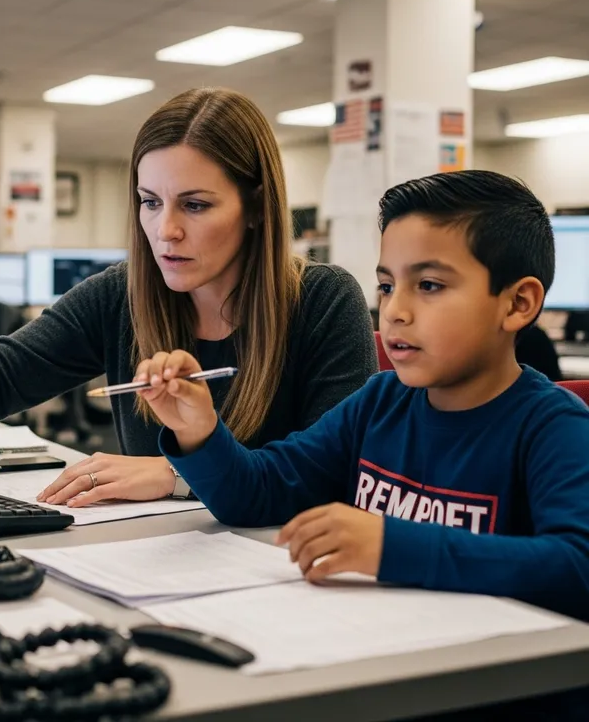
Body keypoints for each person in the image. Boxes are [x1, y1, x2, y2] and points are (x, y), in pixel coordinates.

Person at [135, 170, 589, 719]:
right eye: (386, 284)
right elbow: (256, 493)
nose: (395, 310)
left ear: (517, 304)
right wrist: (199, 430)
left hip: (491, 693)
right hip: (381, 672)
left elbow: (576, 567)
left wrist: (392, 546)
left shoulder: (552, 426)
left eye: (429, 285)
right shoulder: (379, 402)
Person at [0, 87, 377, 506]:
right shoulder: (123, 294)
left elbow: (328, 472)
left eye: (194, 205)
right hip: (151, 554)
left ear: (257, 206)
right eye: (149, 202)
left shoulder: (324, 302)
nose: (164, 230)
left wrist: (177, 475)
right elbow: (10, 369)